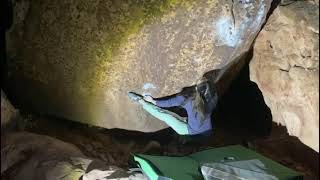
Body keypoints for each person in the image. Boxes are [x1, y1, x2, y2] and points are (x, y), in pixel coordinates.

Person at [128, 78, 218, 136]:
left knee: (166, 115)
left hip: (189, 130)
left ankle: (140, 101)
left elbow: (168, 103)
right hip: (204, 129)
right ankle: (185, 122)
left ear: (196, 89)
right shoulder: (212, 100)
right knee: (176, 117)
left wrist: (152, 101)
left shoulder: (187, 98)